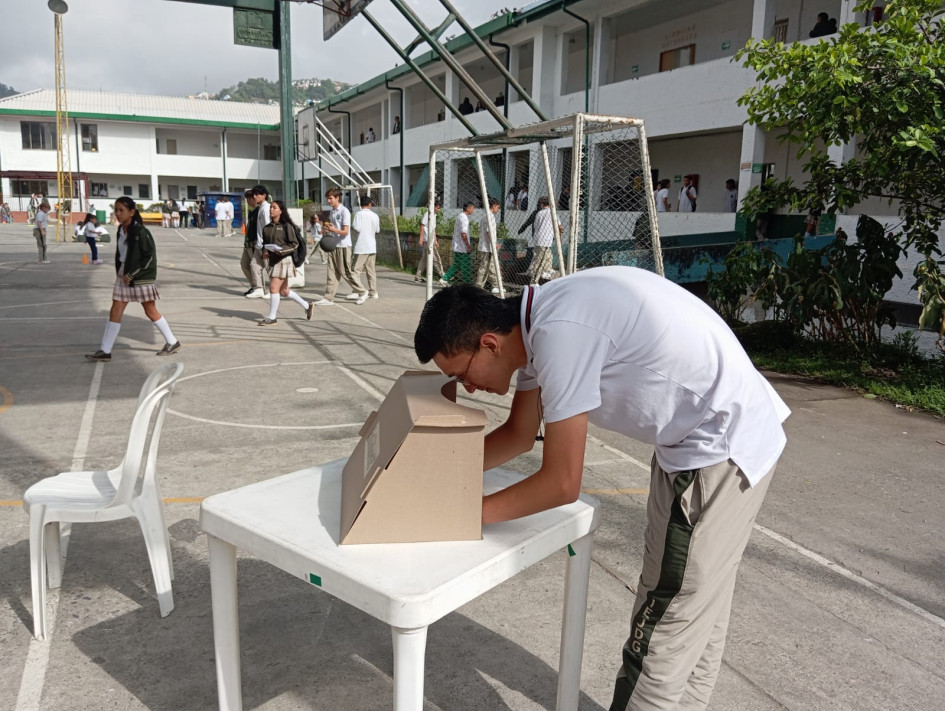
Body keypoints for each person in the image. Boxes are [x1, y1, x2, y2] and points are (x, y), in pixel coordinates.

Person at [413, 267, 790, 711]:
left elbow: (561, 483)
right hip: (701, 438)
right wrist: (441, 473)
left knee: (664, 628)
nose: (467, 386)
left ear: (489, 343)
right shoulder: (534, 323)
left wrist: (459, 514)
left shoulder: (559, 335)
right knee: (692, 611)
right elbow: (518, 433)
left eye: (462, 374)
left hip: (718, 448)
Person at [84, 196, 181, 361]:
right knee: (116, 309)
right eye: (116, 210)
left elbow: (149, 257)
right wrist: (121, 272)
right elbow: (122, 255)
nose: (118, 213)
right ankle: (105, 350)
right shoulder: (121, 230)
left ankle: (172, 341)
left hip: (140, 276)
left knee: (150, 310)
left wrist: (132, 274)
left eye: (121, 210)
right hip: (124, 274)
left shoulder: (141, 232)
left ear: (132, 212)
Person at [257, 200, 314, 326]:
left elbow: (294, 244)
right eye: (270, 207)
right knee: (284, 291)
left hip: (284, 260)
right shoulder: (267, 228)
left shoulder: (286, 226)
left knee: (273, 288)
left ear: (281, 211)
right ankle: (307, 305)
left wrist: (281, 251)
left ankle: (272, 317)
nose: (271, 209)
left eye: (274, 207)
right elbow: (265, 245)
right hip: (273, 260)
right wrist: (265, 252)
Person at [314, 187, 366, 305]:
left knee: (345, 272)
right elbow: (334, 228)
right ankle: (328, 298)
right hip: (334, 245)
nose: (329, 201)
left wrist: (334, 229)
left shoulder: (344, 211)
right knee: (331, 272)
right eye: (328, 198)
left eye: (331, 198)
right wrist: (329, 229)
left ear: (337, 198)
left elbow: (345, 231)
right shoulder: (332, 212)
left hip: (343, 245)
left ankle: (362, 292)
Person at [349, 195, 381, 301]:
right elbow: (377, 230)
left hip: (362, 246)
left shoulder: (359, 214)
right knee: (371, 270)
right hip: (372, 246)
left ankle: (357, 291)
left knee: (355, 270)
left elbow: (356, 228)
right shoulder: (375, 216)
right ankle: (373, 292)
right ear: (370, 204)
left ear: (361, 204)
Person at [242, 186, 270, 298]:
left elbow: (268, 227)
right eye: (253, 195)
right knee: (254, 265)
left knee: (270, 268)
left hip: (265, 244)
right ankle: (258, 288)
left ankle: (275, 290)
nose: (254, 197)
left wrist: (267, 245)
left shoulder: (266, 208)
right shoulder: (260, 209)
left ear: (264, 195)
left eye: (256, 194)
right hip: (259, 244)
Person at [439, 202, 474, 285]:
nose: (473, 211)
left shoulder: (459, 216)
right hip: (463, 248)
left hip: (457, 246)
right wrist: (468, 245)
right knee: (466, 266)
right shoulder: (464, 218)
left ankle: (445, 278)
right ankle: (467, 284)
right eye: (473, 209)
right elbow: (463, 233)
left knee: (457, 265)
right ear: (468, 209)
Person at [527, 197, 559, 284]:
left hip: (539, 238)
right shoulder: (553, 213)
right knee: (540, 260)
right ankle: (534, 281)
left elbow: (535, 226)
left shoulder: (539, 213)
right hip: (546, 240)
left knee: (546, 256)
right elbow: (559, 225)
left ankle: (545, 270)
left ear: (542, 204)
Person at [475, 197, 501, 294]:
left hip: (484, 246)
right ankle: (481, 286)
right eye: (497, 207)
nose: (497, 210)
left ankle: (482, 286)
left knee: (486, 267)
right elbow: (489, 232)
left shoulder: (485, 217)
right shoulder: (490, 217)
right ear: (493, 206)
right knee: (486, 266)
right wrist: (494, 244)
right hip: (487, 247)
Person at [415, 199, 444, 283]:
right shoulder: (428, 214)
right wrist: (421, 239)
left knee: (424, 258)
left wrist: (435, 240)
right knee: (436, 258)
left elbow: (433, 229)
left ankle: (418, 276)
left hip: (431, 239)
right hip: (427, 239)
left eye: (439, 208)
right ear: (433, 207)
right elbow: (422, 226)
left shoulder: (434, 215)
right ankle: (443, 275)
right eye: (437, 208)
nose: (439, 210)